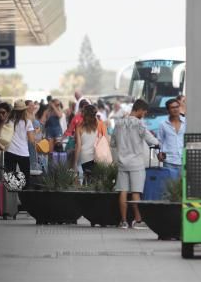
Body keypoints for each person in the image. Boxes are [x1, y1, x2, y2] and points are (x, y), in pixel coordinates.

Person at [112, 99, 159, 229]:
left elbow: (113, 143)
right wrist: (158, 141)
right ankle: (137, 220)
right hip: (137, 163)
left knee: (123, 191)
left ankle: (123, 221)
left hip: (122, 163)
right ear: (138, 109)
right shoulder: (139, 124)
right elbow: (153, 141)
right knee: (136, 192)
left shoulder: (119, 123)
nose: (144, 114)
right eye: (144, 112)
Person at [4, 100, 37, 188]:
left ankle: (12, 200)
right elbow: (31, 140)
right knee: (26, 180)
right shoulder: (28, 122)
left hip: (10, 152)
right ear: (24, 111)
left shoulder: (8, 121)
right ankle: (24, 200)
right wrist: (34, 133)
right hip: (23, 153)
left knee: (11, 181)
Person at [156, 98, 185, 182]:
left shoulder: (186, 122)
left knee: (183, 189)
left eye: (177, 107)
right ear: (168, 110)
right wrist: (159, 153)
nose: (175, 109)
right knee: (170, 188)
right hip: (169, 161)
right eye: (172, 108)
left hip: (184, 161)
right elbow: (159, 141)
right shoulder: (163, 124)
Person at [73, 104, 104, 180]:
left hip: (84, 157)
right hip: (95, 156)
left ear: (84, 114)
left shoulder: (79, 127)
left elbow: (78, 146)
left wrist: (75, 163)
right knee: (93, 180)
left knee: (85, 180)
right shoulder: (98, 125)